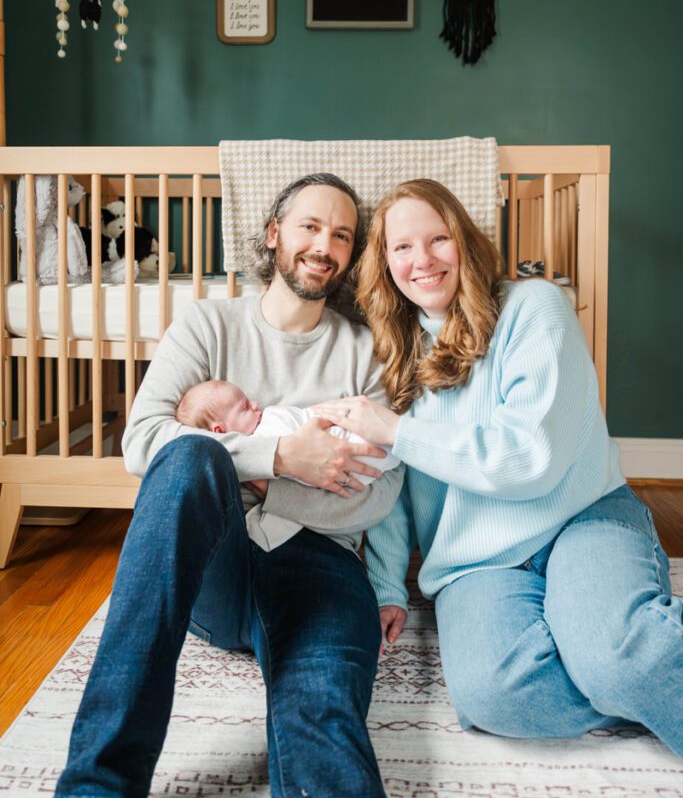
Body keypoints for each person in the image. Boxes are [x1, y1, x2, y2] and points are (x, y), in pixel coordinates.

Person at [55, 173, 404, 798]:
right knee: (190, 457)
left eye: (342, 235)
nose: (325, 245)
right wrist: (281, 457)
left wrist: (275, 491)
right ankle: (97, 785)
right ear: (273, 234)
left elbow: (380, 490)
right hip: (213, 560)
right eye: (310, 226)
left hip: (321, 562)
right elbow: (143, 441)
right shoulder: (206, 325)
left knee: (322, 712)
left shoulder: (363, 352)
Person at [313, 178, 683, 758]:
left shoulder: (534, 306)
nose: (423, 260)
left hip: (578, 518)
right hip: (473, 558)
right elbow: (389, 479)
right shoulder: (388, 350)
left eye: (439, 239)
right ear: (383, 264)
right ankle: (628, 681)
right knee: (497, 696)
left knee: (618, 657)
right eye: (402, 247)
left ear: (464, 240)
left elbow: (528, 460)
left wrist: (396, 429)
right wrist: (386, 585)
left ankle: (625, 668)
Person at [176, 378, 400, 550]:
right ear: (220, 431)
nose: (255, 404)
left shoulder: (269, 422)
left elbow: (303, 421)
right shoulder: (253, 440)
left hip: (350, 465)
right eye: (244, 408)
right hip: (241, 540)